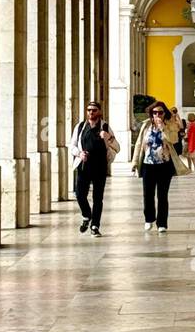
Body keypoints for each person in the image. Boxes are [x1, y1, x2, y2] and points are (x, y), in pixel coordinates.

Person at [131, 102, 187, 231]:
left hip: (164, 165)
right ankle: (149, 218)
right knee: (148, 194)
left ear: (164, 113)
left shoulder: (170, 125)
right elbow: (139, 144)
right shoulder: (146, 125)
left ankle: (162, 223)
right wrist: (134, 162)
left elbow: (173, 139)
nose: (157, 115)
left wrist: (163, 128)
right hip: (148, 165)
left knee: (162, 195)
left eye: (160, 112)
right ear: (151, 113)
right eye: (154, 112)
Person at [69, 100, 119, 237]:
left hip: (100, 166)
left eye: (94, 110)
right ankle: (86, 215)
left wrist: (108, 137)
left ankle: (95, 226)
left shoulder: (106, 127)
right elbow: (72, 146)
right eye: (89, 110)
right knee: (79, 195)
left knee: (98, 198)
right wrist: (79, 153)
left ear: (99, 112)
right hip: (84, 166)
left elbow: (117, 147)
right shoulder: (80, 127)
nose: (91, 112)